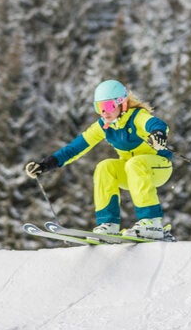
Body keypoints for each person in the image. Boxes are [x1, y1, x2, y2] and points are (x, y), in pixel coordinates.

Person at [24, 79, 173, 240]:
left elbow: (157, 124)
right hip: (132, 172)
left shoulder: (137, 117)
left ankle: (151, 223)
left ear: (122, 104)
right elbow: (75, 148)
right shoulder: (104, 125)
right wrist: (45, 165)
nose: (104, 112)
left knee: (135, 163)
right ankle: (109, 225)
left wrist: (157, 134)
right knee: (105, 166)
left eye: (108, 106)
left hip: (158, 167)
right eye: (99, 107)